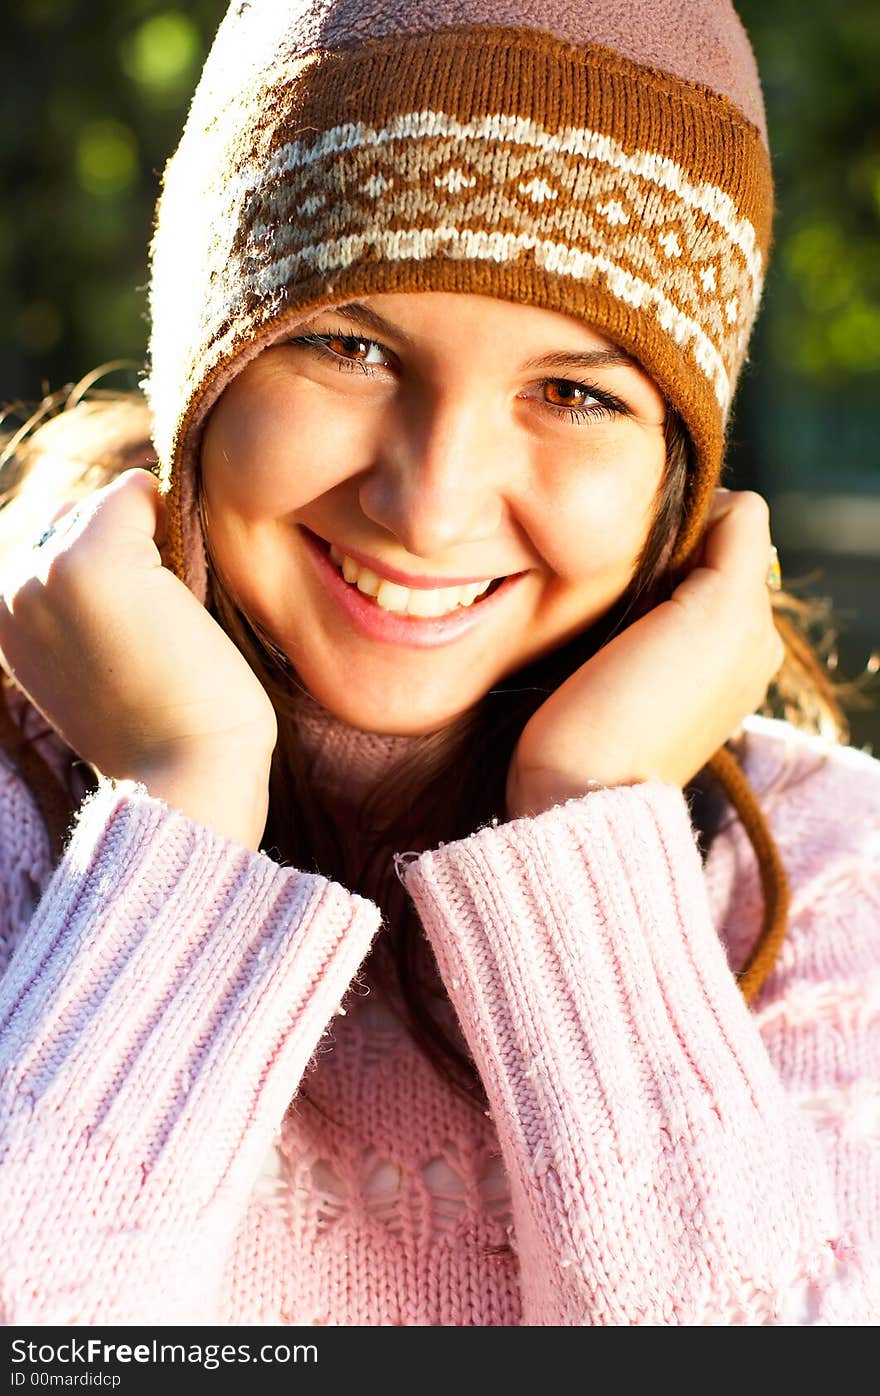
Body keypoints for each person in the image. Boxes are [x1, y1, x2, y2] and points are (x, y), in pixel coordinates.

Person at [0, 0, 877, 1327]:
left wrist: (593, 830)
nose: (430, 505)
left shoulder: (828, 886)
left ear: (679, 473)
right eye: (349, 346)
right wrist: (179, 811)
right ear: (203, 376)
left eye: (575, 393)